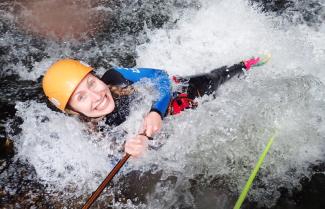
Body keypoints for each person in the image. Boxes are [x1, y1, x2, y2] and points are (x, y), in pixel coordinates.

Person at [42, 54, 271, 157]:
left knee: (213, 79)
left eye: (92, 83)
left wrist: (155, 111)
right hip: (174, 126)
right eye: (81, 97)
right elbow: (117, 152)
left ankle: (246, 65)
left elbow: (161, 76)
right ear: (73, 111)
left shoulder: (117, 76)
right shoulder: (96, 133)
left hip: (177, 94)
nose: (96, 96)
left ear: (98, 76)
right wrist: (132, 151)